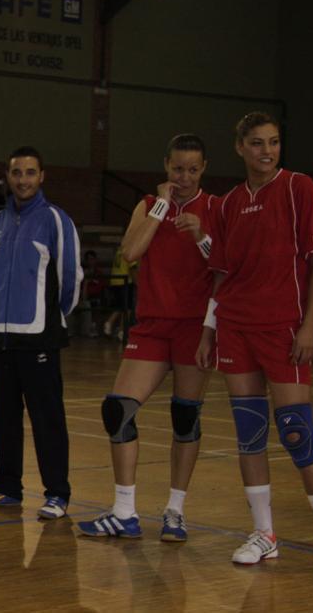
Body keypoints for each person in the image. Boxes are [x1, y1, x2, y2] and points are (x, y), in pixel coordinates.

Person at [194, 111, 313, 579]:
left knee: (297, 432)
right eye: (258, 143)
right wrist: (208, 330)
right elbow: (220, 274)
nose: (267, 151)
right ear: (240, 147)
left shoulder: (300, 189)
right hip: (235, 328)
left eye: (275, 142)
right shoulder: (226, 205)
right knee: (250, 434)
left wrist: (310, 326)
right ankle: (264, 533)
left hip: (284, 328)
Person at [76, 134, 215, 542]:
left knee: (185, 417)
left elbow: (229, 266)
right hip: (152, 326)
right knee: (117, 411)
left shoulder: (217, 208)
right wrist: (160, 207)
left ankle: (175, 511)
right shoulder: (148, 206)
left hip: (195, 328)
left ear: (203, 168)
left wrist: (202, 236)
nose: (184, 177)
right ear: (165, 167)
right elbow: (131, 250)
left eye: (192, 169)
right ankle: (124, 512)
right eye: (177, 169)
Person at [0, 146, 81, 520]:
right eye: (17, 173)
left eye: (30, 173)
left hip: (40, 339)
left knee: (47, 419)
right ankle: (6, 487)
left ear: (41, 176)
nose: (23, 180)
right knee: (5, 417)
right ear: (8, 176)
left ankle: (57, 494)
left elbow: (70, 281)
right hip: (0, 339)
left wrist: (50, 321)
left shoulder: (56, 220)